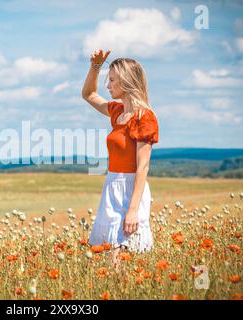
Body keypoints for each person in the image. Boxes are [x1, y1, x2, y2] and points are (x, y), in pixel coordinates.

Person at [81, 49, 159, 266]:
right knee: (109, 255)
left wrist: (132, 209)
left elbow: (142, 167)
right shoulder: (117, 112)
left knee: (121, 255)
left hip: (131, 190)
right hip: (112, 186)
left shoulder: (145, 117)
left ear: (126, 82)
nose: (108, 86)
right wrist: (95, 67)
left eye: (112, 80)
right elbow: (88, 94)